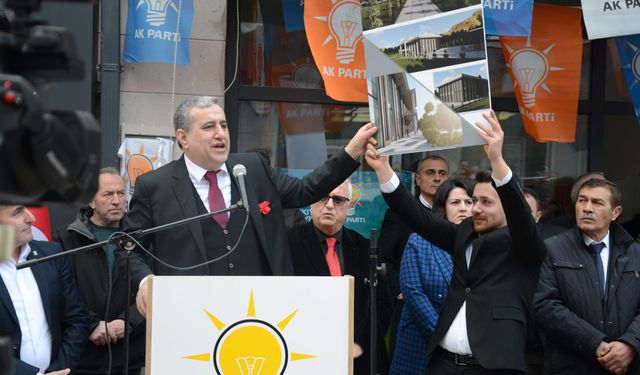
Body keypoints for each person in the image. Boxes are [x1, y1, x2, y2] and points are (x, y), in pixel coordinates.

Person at [125, 96, 377, 317]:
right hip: (191, 315)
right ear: (183, 138)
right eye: (209, 126)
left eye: (223, 125)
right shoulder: (155, 186)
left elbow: (305, 190)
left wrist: (350, 151)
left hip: (260, 312)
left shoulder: (252, 168)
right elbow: (128, 249)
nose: (220, 133)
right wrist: (145, 281)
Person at [365, 110, 546, 374]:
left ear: (505, 206)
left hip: (491, 368)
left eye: (486, 202)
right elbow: (416, 217)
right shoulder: (463, 234)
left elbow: (520, 217)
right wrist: (383, 169)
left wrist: (496, 158)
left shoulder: (525, 246)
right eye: (475, 201)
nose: (476, 209)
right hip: (443, 365)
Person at [535, 178, 640, 375]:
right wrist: (596, 344)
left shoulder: (635, 254)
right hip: (570, 366)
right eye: (582, 201)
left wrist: (630, 345)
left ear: (615, 213)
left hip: (625, 367)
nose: (587, 208)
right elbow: (545, 306)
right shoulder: (552, 249)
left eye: (597, 202)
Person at [287, 179, 386, 375]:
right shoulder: (288, 245)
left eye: (338, 200)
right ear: (311, 202)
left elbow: (382, 304)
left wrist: (359, 343)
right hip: (304, 356)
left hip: (358, 358)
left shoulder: (367, 248)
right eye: (323, 198)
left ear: (349, 206)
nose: (329, 205)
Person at [54, 168, 145, 375]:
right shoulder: (67, 237)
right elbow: (61, 290)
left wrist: (128, 321)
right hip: (82, 356)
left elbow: (153, 287)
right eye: (107, 194)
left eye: (121, 193)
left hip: (128, 357)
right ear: (91, 201)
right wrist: (91, 324)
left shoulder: (140, 236)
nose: (116, 201)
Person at [391, 177, 473, 374]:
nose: (463, 208)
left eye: (469, 202)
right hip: (420, 346)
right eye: (455, 202)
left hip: (467, 354)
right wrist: (445, 336)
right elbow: (413, 293)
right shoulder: (419, 241)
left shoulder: (482, 245)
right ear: (442, 207)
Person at [0, 205, 88, 375]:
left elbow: (76, 318)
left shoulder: (50, 253)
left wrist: (60, 369)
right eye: (18, 212)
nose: (31, 218)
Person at [378, 155, 449, 359]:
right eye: (430, 172)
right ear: (418, 180)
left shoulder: (457, 215)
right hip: (409, 307)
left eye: (442, 173)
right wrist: (399, 291)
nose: (437, 178)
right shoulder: (399, 214)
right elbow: (383, 257)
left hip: (447, 308)